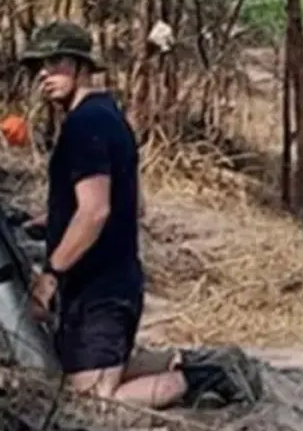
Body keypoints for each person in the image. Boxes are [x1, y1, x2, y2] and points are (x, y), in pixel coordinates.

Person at [19, 21, 254, 407]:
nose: (44, 73)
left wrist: (50, 276)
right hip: (112, 280)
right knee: (78, 375)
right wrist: (55, 218)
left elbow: (95, 212)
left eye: (56, 62)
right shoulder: (109, 115)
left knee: (95, 400)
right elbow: (133, 205)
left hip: (99, 286)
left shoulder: (84, 126)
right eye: (37, 67)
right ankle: (184, 362)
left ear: (81, 66)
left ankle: (204, 378)